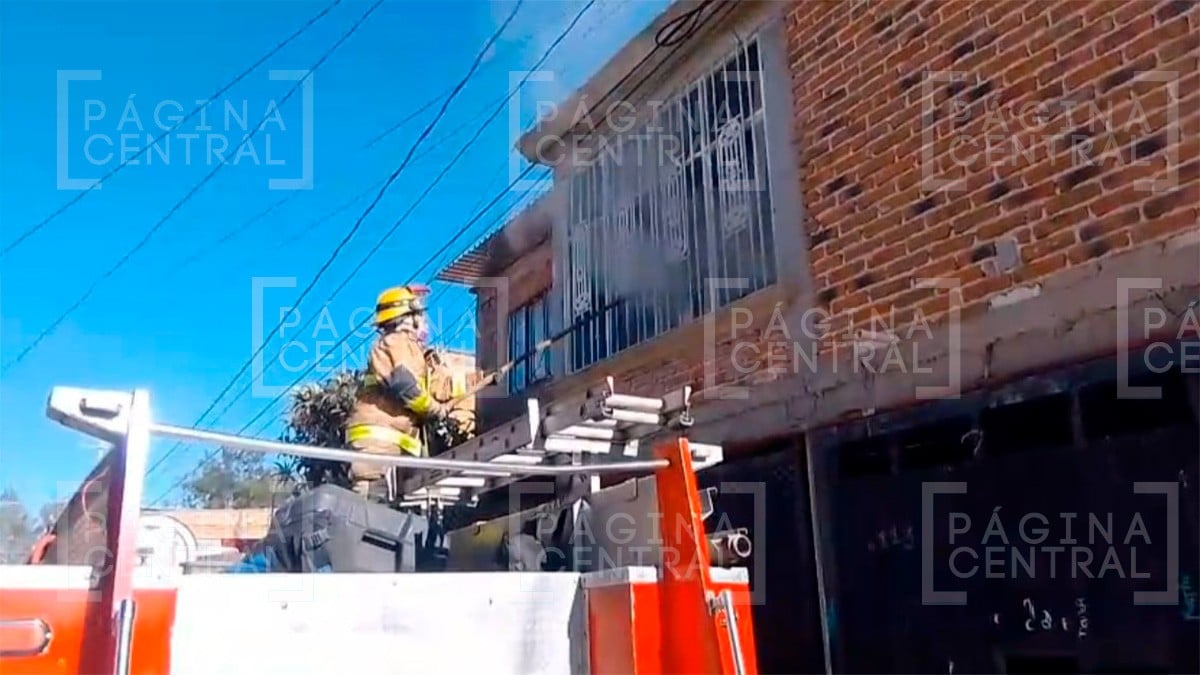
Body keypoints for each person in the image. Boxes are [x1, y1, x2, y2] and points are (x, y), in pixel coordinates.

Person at [345, 285, 447, 501]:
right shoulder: (396, 341)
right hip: (379, 449)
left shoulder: (408, 348)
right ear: (409, 318)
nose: (424, 319)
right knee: (370, 512)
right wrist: (435, 410)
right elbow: (404, 385)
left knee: (384, 519)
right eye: (419, 314)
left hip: (388, 448)